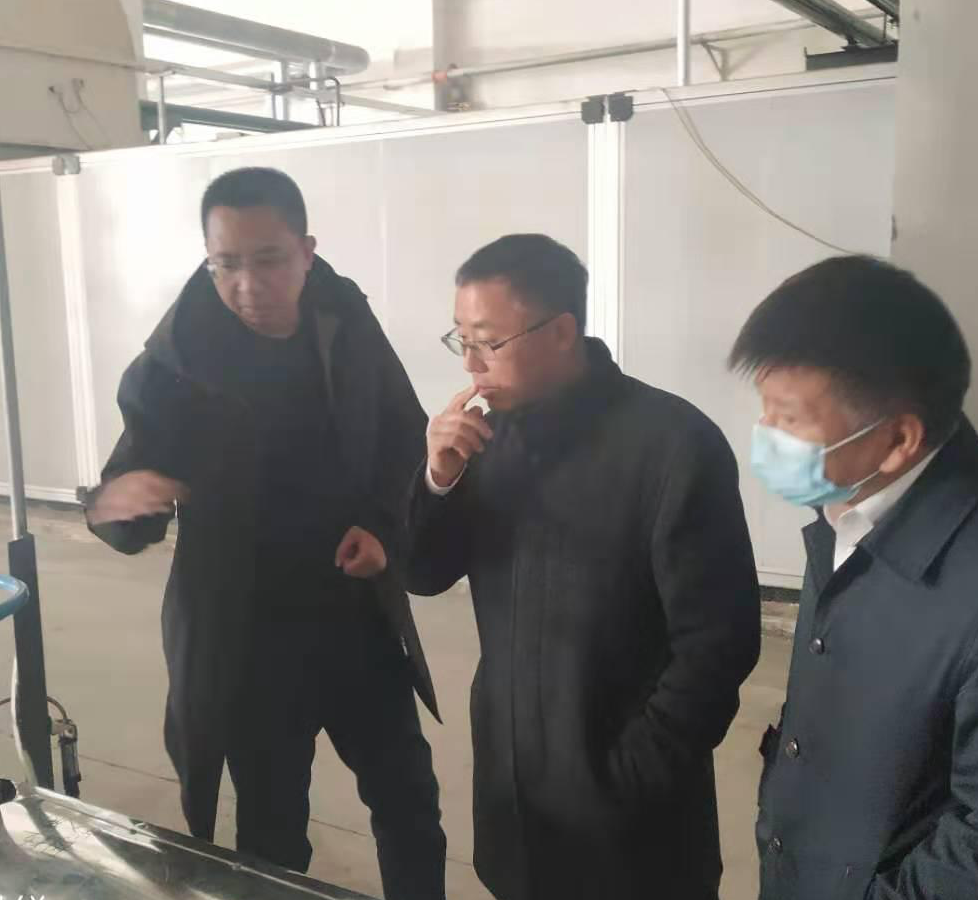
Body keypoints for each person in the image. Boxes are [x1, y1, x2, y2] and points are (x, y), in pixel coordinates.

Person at [85, 167, 446, 899]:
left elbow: (402, 441)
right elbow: (124, 491)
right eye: (226, 264)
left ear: (306, 251)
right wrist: (118, 505)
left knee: (408, 801)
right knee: (272, 831)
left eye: (269, 260)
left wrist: (383, 530)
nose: (247, 285)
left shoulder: (345, 324)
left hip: (355, 618)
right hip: (250, 638)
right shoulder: (177, 362)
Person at [405, 233, 761, 900]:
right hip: (514, 805)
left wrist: (625, 779)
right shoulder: (485, 437)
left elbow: (718, 646)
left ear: (562, 331)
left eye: (489, 341)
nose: (471, 365)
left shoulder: (673, 445)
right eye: (461, 340)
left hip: (636, 838)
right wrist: (438, 478)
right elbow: (422, 574)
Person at [731, 255, 978, 900]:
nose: (765, 435)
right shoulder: (850, 505)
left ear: (898, 440)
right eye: (765, 408)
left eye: (790, 418)